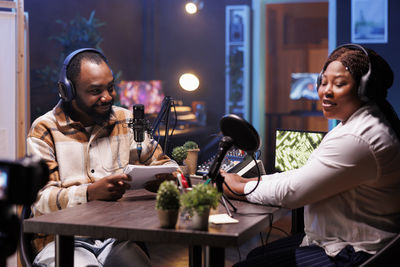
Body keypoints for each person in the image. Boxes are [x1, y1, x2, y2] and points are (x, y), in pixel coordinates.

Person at [222, 44, 400, 266]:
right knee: (255, 256)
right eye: (323, 82)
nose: (326, 90)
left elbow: (293, 192)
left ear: (364, 89)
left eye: (339, 84)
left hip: (353, 254)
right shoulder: (357, 124)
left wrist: (239, 187)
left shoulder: (357, 137)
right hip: (344, 242)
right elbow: (304, 175)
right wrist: (249, 182)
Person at [27, 48, 178, 267]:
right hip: (62, 240)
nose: (107, 97)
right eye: (95, 90)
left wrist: (165, 178)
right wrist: (90, 193)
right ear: (68, 91)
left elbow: (164, 164)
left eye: (110, 87)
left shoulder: (125, 119)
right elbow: (40, 201)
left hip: (116, 238)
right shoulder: (44, 129)